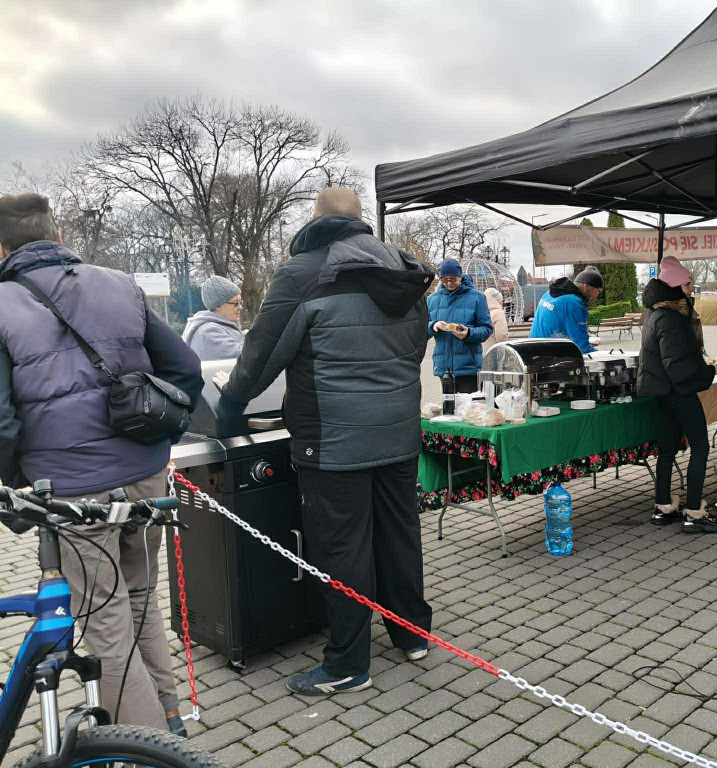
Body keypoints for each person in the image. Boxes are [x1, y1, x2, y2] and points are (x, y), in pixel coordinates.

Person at [217, 187, 434, 695]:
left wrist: (230, 406)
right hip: (399, 430)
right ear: (361, 223)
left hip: (332, 439)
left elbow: (262, 352)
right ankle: (413, 634)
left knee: (343, 547)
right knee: (399, 534)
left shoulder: (302, 273)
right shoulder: (404, 269)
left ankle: (347, 665)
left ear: (314, 220)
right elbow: (417, 342)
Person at [0, 193, 203, 735]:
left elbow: (0, 423)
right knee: (140, 599)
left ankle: (150, 747)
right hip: (146, 479)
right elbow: (185, 368)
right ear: (58, 236)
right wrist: (159, 439)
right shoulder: (120, 283)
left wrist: (20, 488)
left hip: (71, 492)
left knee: (106, 622)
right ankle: (169, 716)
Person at [637, 257, 717, 533]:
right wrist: (710, 372)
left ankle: (663, 506)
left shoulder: (653, 316)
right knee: (700, 446)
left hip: (662, 392)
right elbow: (676, 364)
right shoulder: (671, 320)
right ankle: (693, 512)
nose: (691, 290)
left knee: (668, 448)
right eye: (688, 285)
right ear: (675, 290)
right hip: (679, 392)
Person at [427, 259, 492, 393]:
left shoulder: (477, 297)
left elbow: (487, 329)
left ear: (460, 277)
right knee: (449, 408)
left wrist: (468, 333)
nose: (449, 283)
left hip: (468, 367)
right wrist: (433, 325)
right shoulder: (432, 299)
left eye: (453, 279)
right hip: (443, 367)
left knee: (469, 411)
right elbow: (421, 329)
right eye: (445, 280)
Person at [529, 266, 603, 353]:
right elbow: (582, 346)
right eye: (598, 291)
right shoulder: (574, 303)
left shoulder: (550, 293)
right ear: (586, 286)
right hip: (547, 355)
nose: (595, 298)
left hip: (532, 348)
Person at [181, 276, 245, 360]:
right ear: (217, 306)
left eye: (240, 302)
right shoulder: (208, 332)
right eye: (235, 303)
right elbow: (245, 356)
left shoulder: (219, 326)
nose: (240, 307)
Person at [481, 286, 509, 354]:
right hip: (494, 351)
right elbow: (501, 336)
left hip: (480, 351)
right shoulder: (498, 313)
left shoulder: (481, 312)